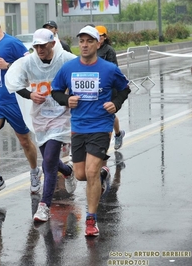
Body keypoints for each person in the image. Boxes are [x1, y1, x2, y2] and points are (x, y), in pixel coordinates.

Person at [51, 25, 131, 236]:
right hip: (78, 127)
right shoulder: (69, 68)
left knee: (92, 170)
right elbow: (55, 91)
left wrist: (116, 103)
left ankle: (91, 220)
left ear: (98, 43)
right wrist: (66, 99)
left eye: (89, 41)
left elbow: (125, 88)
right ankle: (100, 179)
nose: (84, 45)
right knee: (80, 175)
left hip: (101, 126)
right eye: (82, 41)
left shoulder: (109, 69)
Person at [5, 28, 77, 223]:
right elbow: (14, 82)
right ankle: (68, 171)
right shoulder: (29, 61)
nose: (39, 49)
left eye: (43, 46)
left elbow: (82, 70)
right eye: (36, 46)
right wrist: (30, 95)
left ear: (52, 44)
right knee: (48, 160)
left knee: (49, 161)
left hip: (62, 116)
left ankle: (44, 206)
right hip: (40, 117)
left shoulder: (65, 59)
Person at [0, 10, 41, 199]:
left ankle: (34, 171)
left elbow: (31, 66)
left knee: (24, 141)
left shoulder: (13, 43)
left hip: (14, 100)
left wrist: (8, 66)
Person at [96, 25, 125, 150]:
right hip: (94, 89)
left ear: (105, 37)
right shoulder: (91, 49)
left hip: (108, 88)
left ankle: (115, 137)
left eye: (100, 36)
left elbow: (113, 71)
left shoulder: (109, 51)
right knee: (103, 115)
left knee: (108, 115)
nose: (98, 39)